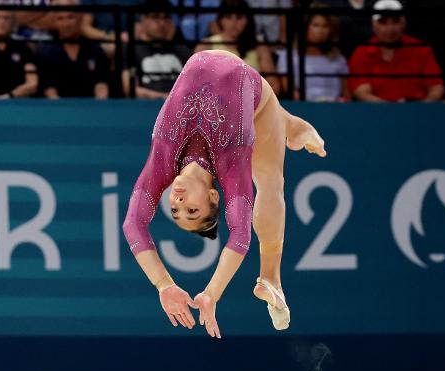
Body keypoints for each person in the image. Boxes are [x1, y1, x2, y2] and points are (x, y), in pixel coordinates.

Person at [122, 49, 327, 337]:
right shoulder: (232, 161)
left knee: (278, 123)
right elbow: (240, 236)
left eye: (176, 211)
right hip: (248, 85)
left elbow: (133, 223)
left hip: (215, 67)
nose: (178, 203)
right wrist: (211, 294)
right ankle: (270, 277)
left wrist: (164, 285)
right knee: (270, 181)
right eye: (192, 210)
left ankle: (294, 128)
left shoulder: (163, 160)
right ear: (214, 196)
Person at [348, 0, 444, 102]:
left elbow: (437, 88)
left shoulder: (421, 49)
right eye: (383, 22)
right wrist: (392, 111)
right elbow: (362, 92)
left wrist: (420, 108)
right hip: (377, 114)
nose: (390, 29)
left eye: (395, 21)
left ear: (403, 23)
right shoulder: (362, 52)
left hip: (418, 112)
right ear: (374, 25)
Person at [195, 0, 280, 93]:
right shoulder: (206, 46)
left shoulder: (259, 47)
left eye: (239, 18)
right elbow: (195, 83)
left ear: (247, 20)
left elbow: (274, 85)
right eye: (228, 17)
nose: (233, 23)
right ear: (220, 20)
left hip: (253, 103)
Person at [35, 0, 110, 98]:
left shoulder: (95, 49)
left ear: (79, 18)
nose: (66, 24)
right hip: (58, 109)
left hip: (91, 108)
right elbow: (49, 90)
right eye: (60, 19)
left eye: (71, 17)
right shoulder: (44, 52)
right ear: (54, 22)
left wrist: (99, 107)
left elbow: (101, 84)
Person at [122, 0, 192, 99]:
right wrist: (164, 97)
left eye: (166, 17)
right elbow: (129, 88)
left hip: (179, 109)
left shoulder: (183, 51)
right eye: (155, 17)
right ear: (143, 19)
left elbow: (194, 86)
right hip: (144, 107)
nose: (162, 23)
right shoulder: (131, 49)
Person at [276, 6, 349, 101]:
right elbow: (290, 91)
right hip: (303, 108)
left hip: (335, 108)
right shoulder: (287, 56)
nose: (321, 31)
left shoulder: (338, 59)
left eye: (325, 26)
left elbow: (346, 93)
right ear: (305, 28)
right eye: (316, 25)